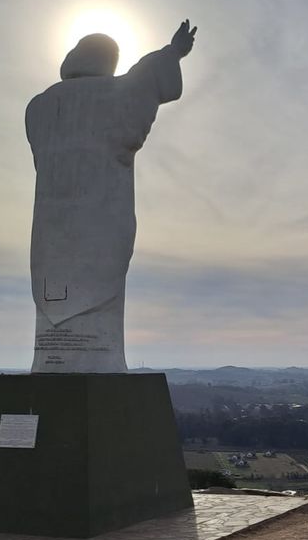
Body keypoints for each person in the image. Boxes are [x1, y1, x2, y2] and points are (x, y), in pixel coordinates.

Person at [25, 20, 197, 372]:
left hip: (51, 225)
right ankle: (97, 362)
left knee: (57, 292)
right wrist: (174, 52)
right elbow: (143, 84)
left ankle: (53, 362)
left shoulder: (38, 106)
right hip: (99, 216)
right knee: (98, 289)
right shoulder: (114, 95)